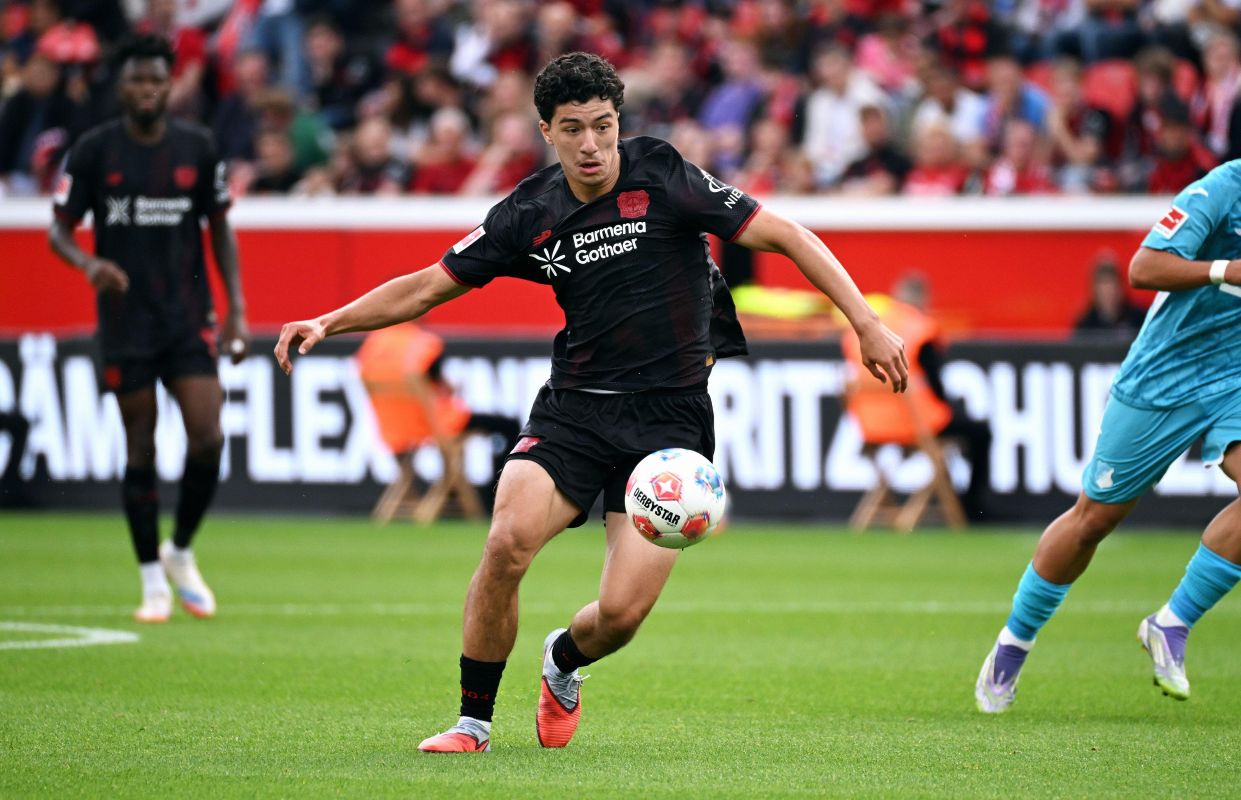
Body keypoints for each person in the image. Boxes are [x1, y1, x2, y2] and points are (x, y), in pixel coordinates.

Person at [274, 52, 907, 753]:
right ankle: (472, 723)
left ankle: (563, 662)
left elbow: (786, 236)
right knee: (506, 542)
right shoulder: (528, 212)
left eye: (602, 126)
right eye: (572, 128)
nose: (590, 145)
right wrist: (328, 320)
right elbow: (427, 286)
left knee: (619, 616)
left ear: (618, 122)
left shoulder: (663, 173)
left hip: (670, 424)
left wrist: (866, 321)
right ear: (546, 130)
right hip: (573, 410)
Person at [975, 159, 1241, 713]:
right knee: (1093, 520)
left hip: (1235, 378)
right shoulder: (1220, 189)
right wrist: (1223, 270)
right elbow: (1144, 268)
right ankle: (1013, 644)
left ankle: (1172, 623)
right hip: (1165, 377)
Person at [48, 35, 250, 623]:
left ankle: (180, 551)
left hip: (188, 318)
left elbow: (220, 230)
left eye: (156, 79)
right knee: (139, 445)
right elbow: (57, 229)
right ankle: (149, 582)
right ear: (122, 85)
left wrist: (236, 310)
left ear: (169, 83)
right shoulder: (93, 151)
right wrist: (89, 264)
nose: (147, 89)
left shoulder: (198, 147)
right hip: (126, 324)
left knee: (208, 437)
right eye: (137, 79)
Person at [1072, 255, 1148, 339]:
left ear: (1121, 286)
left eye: (1111, 283)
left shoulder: (1138, 318)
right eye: (1103, 283)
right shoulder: (1085, 324)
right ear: (1094, 289)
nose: (1108, 291)